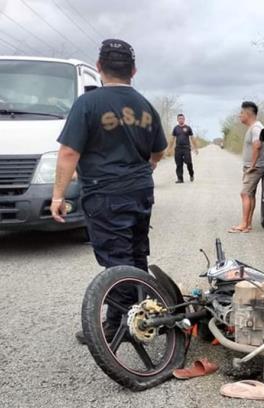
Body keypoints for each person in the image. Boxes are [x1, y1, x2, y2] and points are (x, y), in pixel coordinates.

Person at [50, 39, 167, 344]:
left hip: (106, 193)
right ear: (134, 70)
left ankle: (120, 324)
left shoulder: (87, 104)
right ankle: (143, 312)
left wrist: (58, 196)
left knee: (117, 260)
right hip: (140, 189)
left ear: (99, 68)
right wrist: (146, 167)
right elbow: (159, 151)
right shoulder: (145, 105)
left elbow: (68, 153)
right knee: (136, 253)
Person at [229, 101, 264, 233]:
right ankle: (248, 224)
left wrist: (252, 165)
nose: (240, 115)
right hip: (253, 166)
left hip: (254, 167)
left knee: (244, 193)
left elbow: (257, 145)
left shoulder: (256, 128)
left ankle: (243, 224)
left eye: (241, 113)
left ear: (248, 114)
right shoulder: (254, 127)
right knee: (250, 195)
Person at [171, 113, 197, 183]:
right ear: (177, 119)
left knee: (188, 162)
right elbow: (172, 139)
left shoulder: (188, 128)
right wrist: (169, 148)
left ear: (184, 119)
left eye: (182, 118)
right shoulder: (175, 128)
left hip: (186, 148)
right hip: (178, 148)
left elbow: (192, 138)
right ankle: (180, 179)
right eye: (179, 118)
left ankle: (191, 174)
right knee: (178, 164)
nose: (181, 120)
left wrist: (195, 148)